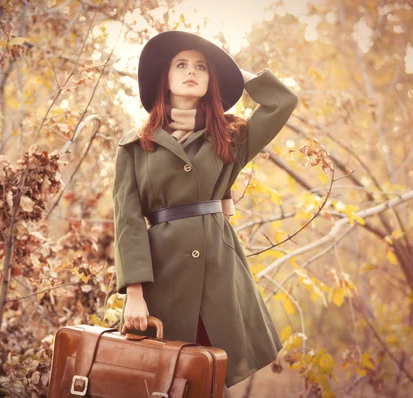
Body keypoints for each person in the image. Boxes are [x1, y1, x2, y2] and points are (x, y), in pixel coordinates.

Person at [112, 30, 299, 397]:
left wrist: (233, 72)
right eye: (181, 65)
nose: (191, 72)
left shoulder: (230, 137)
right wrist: (134, 292)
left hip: (218, 277)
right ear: (164, 78)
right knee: (161, 380)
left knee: (211, 379)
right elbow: (128, 221)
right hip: (162, 280)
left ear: (211, 78)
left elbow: (282, 102)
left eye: (201, 66)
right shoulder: (136, 145)